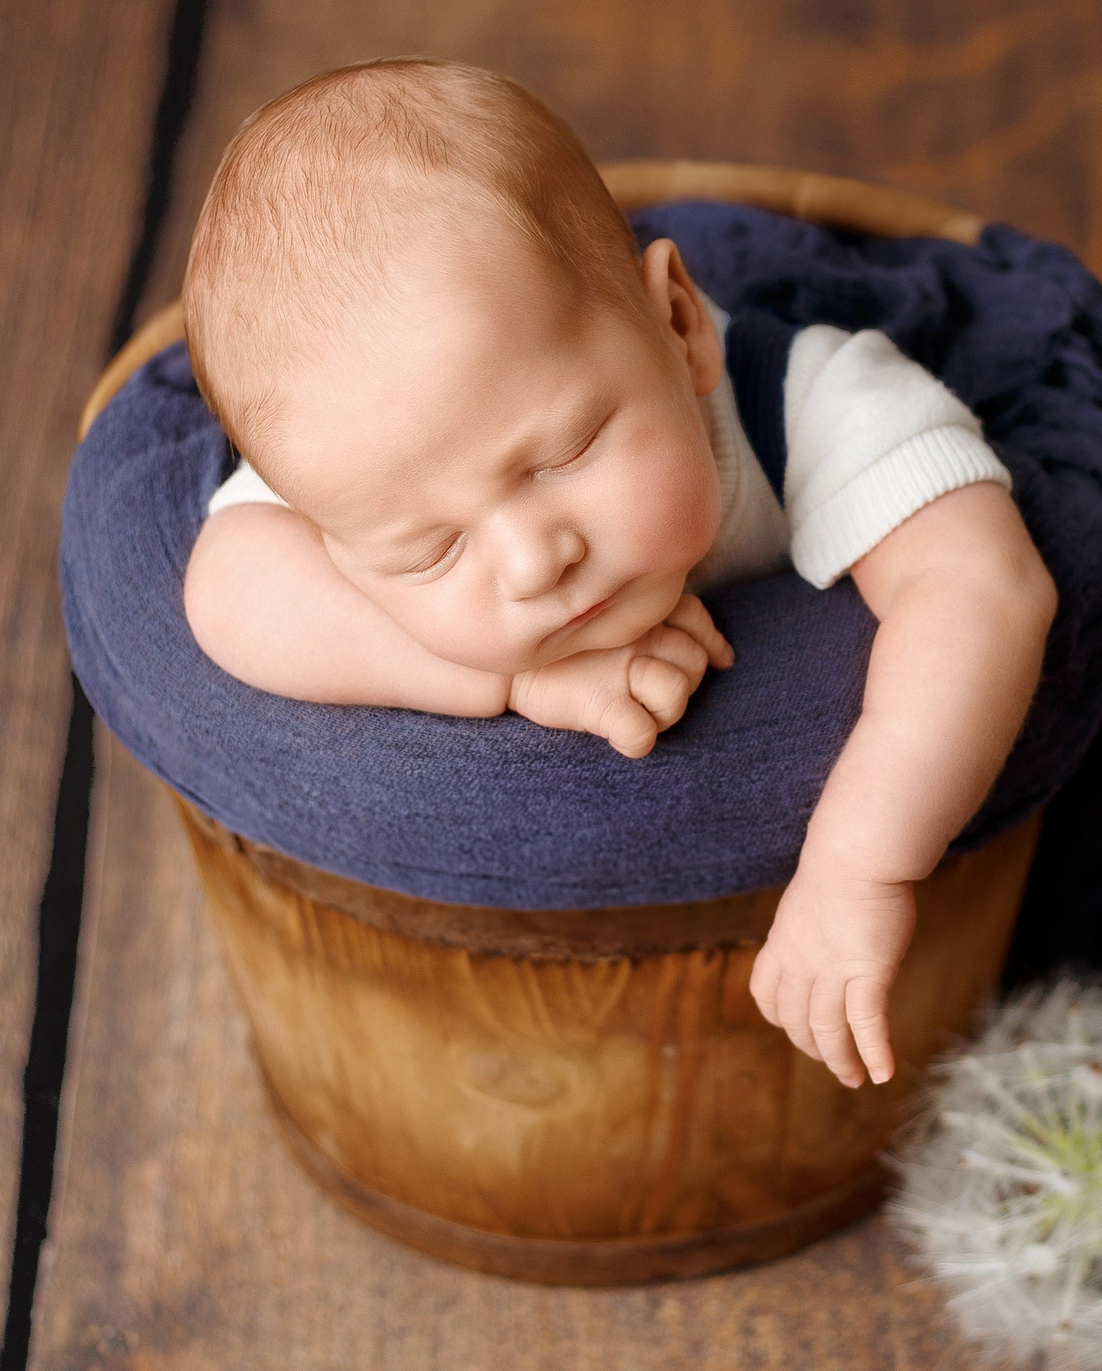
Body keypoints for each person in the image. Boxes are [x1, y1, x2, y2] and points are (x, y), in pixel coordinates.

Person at [178, 57, 1054, 1092]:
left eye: (561, 456)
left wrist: (862, 862)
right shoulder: (367, 454)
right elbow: (224, 588)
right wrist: (506, 680)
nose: (533, 559)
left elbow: (984, 589)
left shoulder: (809, 399)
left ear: (677, 324)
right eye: (431, 550)